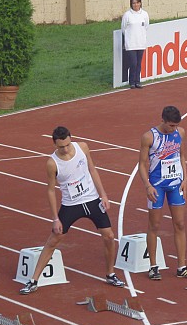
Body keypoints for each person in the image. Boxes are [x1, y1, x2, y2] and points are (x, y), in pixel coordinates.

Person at [19, 126, 124, 294]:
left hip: (92, 200)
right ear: (54, 144)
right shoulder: (52, 163)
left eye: (67, 145)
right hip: (70, 205)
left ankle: (110, 274)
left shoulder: (83, 147)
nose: (66, 149)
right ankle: (33, 280)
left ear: (71, 139)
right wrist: (55, 218)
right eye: (61, 147)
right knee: (53, 240)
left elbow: (92, 169)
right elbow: (51, 190)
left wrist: (103, 194)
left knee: (109, 236)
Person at [139, 106, 187, 281]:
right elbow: (141, 164)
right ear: (163, 120)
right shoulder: (149, 137)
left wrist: (186, 179)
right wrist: (147, 186)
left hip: (175, 184)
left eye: (176, 125)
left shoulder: (180, 133)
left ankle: (182, 267)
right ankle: (153, 266)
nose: (173, 128)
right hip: (157, 186)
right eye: (171, 126)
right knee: (154, 226)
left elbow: (182, 156)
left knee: (180, 224)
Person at [121, 0, 149, 89]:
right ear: (131, 4)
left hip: (140, 43)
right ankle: (132, 82)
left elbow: (146, 27)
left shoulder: (144, 14)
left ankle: (138, 81)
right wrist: (128, 38)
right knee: (133, 63)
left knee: (138, 63)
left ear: (140, 3)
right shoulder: (127, 15)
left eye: (137, 3)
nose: (135, 5)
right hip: (131, 43)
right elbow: (123, 28)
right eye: (133, 3)